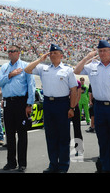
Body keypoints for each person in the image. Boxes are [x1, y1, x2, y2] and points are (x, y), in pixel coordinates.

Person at [74, 40, 110, 173]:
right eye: (100, 51)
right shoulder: (92, 66)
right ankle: (106, 168)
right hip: (99, 108)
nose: (102, 53)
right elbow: (76, 70)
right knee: (103, 139)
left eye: (105, 50)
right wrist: (87, 57)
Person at [25, 44, 78, 173]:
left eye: (56, 53)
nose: (53, 55)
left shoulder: (67, 70)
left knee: (63, 137)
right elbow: (27, 69)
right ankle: (53, 164)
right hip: (48, 103)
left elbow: (74, 90)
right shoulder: (43, 68)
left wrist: (72, 107)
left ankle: (63, 166)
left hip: (62, 104)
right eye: (51, 53)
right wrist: (40, 59)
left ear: (61, 55)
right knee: (51, 136)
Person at [0, 45, 35, 172]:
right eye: (9, 51)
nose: (10, 53)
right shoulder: (5, 67)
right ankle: (11, 162)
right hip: (8, 103)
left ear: (19, 53)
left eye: (13, 51)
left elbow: (31, 85)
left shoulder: (25, 66)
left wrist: (29, 104)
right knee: (10, 134)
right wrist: (10, 75)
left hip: (21, 103)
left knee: (22, 134)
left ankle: (22, 163)